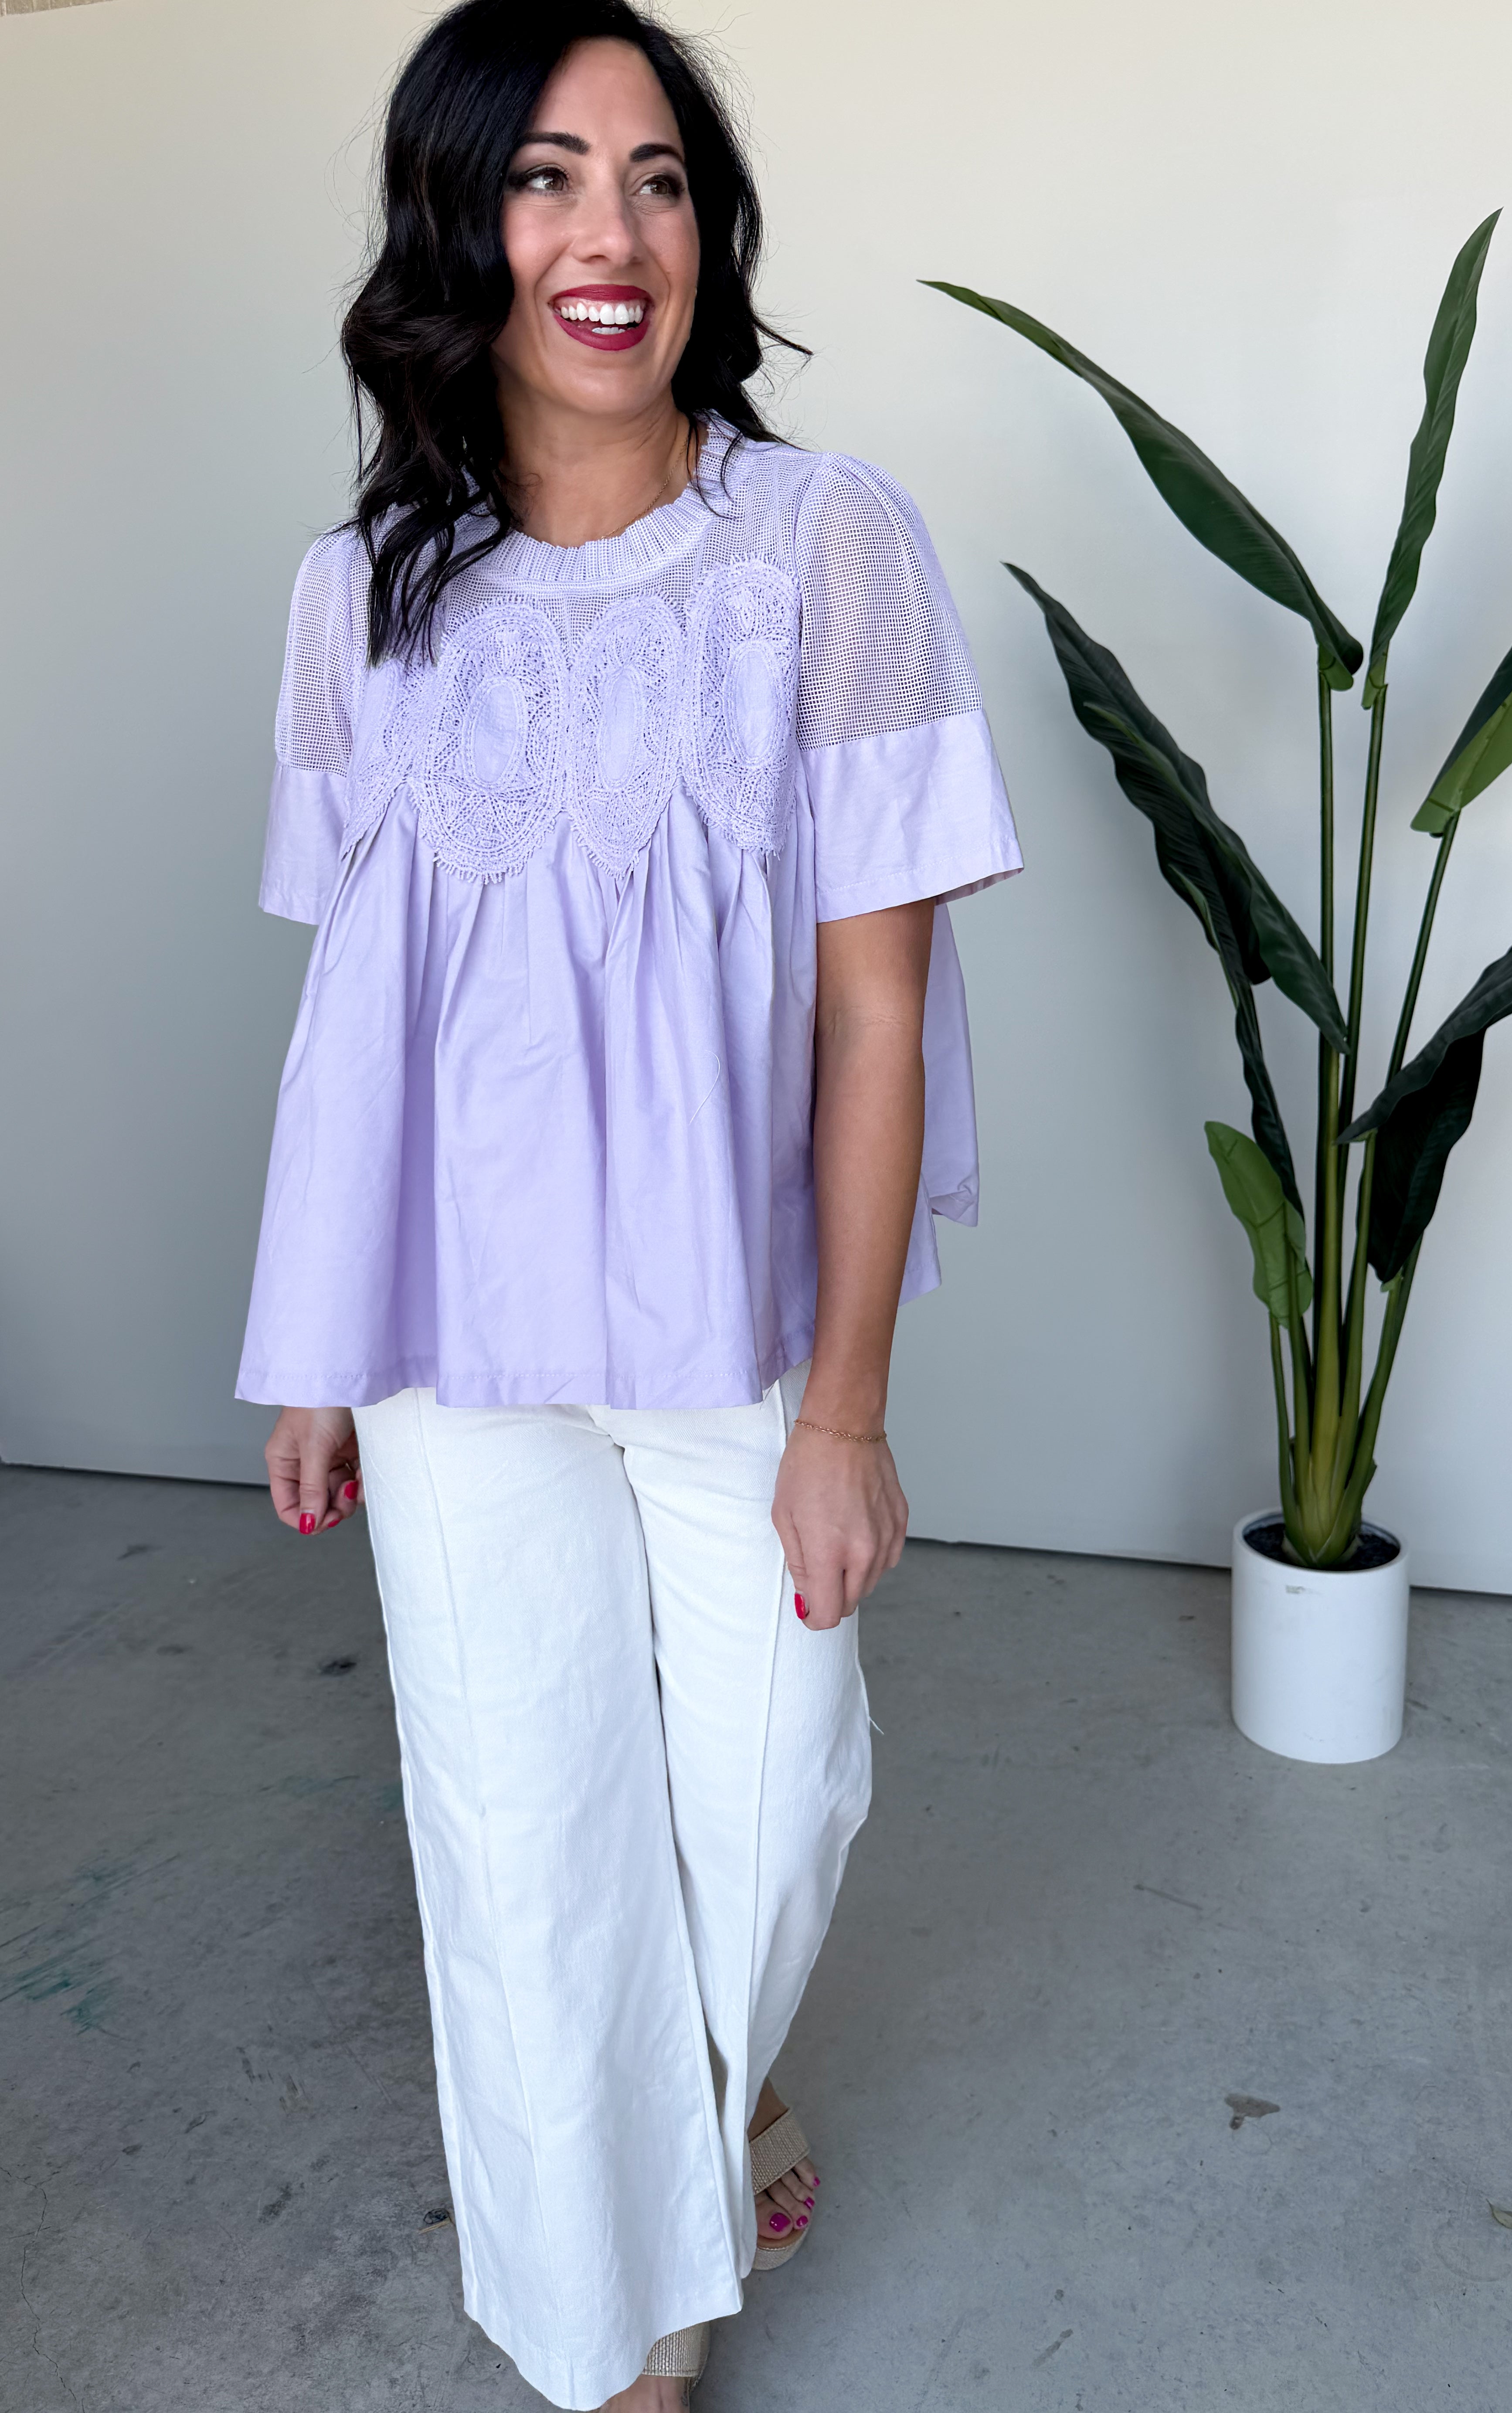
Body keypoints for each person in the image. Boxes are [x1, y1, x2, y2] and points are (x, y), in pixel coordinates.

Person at [239, 3, 1021, 2404]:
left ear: (710, 234)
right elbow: (355, 1013)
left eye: (660, 178)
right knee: (518, 1836)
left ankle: (693, 2119)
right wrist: (314, 1355)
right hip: (445, 1340)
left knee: (773, 1804)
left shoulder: (824, 550)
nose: (614, 231)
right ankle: (627, 2346)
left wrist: (845, 1414)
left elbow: (875, 1011)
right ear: (455, 227)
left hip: (735, 1335)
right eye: (549, 175)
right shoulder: (358, 596)